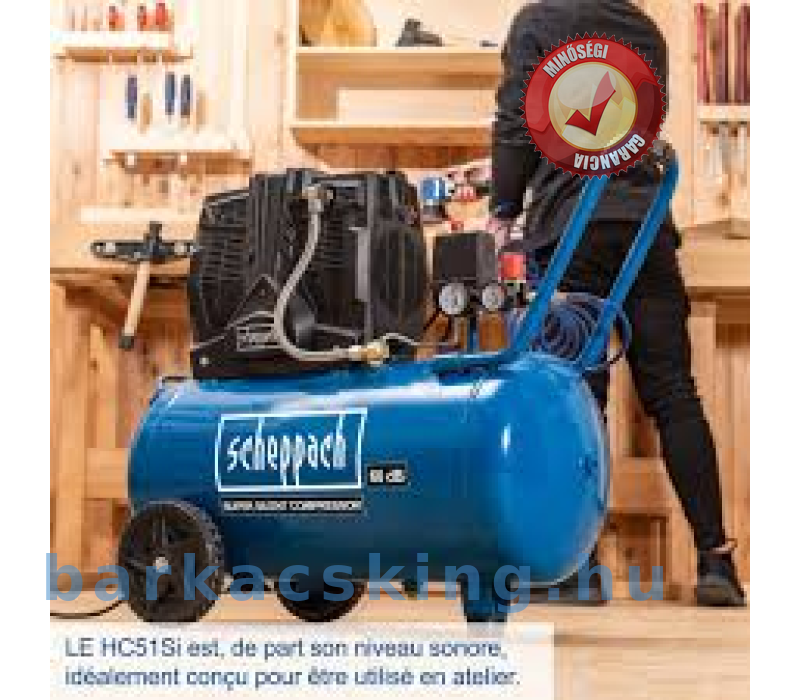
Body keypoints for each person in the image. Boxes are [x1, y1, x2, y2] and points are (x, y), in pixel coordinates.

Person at [488, 0, 746, 606]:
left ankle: (577, 570)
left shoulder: (538, 23)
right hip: (645, 228)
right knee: (674, 394)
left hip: (568, 229)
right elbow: (639, 130)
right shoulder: (643, 29)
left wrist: (502, 209)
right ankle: (716, 563)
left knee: (576, 395)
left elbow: (516, 124)